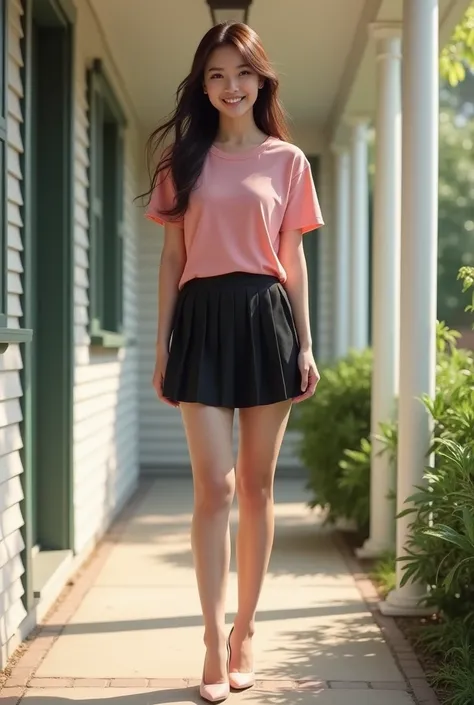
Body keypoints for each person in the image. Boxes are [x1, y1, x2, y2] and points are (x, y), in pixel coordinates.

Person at [142, 20, 324, 703]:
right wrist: (163, 344)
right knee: (212, 489)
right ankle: (213, 638)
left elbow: (294, 262)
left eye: (242, 73)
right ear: (203, 84)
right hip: (201, 320)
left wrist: (305, 342)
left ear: (261, 78)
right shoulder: (181, 162)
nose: (230, 86)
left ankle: (246, 630)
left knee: (255, 486)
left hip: (266, 318)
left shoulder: (289, 161)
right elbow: (171, 261)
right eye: (216, 75)